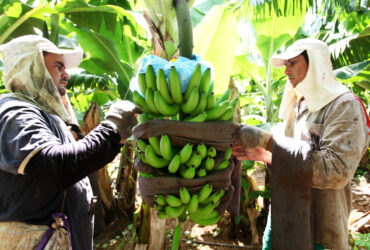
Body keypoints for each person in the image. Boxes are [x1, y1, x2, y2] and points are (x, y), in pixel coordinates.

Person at [0, 35, 142, 249]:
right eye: (59, 67)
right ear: (32, 67)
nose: (66, 75)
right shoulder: (16, 113)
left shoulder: (46, 115)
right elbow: (56, 168)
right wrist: (111, 128)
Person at [232, 38, 370, 250]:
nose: (286, 71)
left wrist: (270, 143)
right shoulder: (301, 104)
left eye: (292, 63)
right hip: (285, 213)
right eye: (286, 65)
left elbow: (336, 171)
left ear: (314, 63)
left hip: (320, 224)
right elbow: (289, 157)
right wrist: (264, 155)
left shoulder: (344, 106)